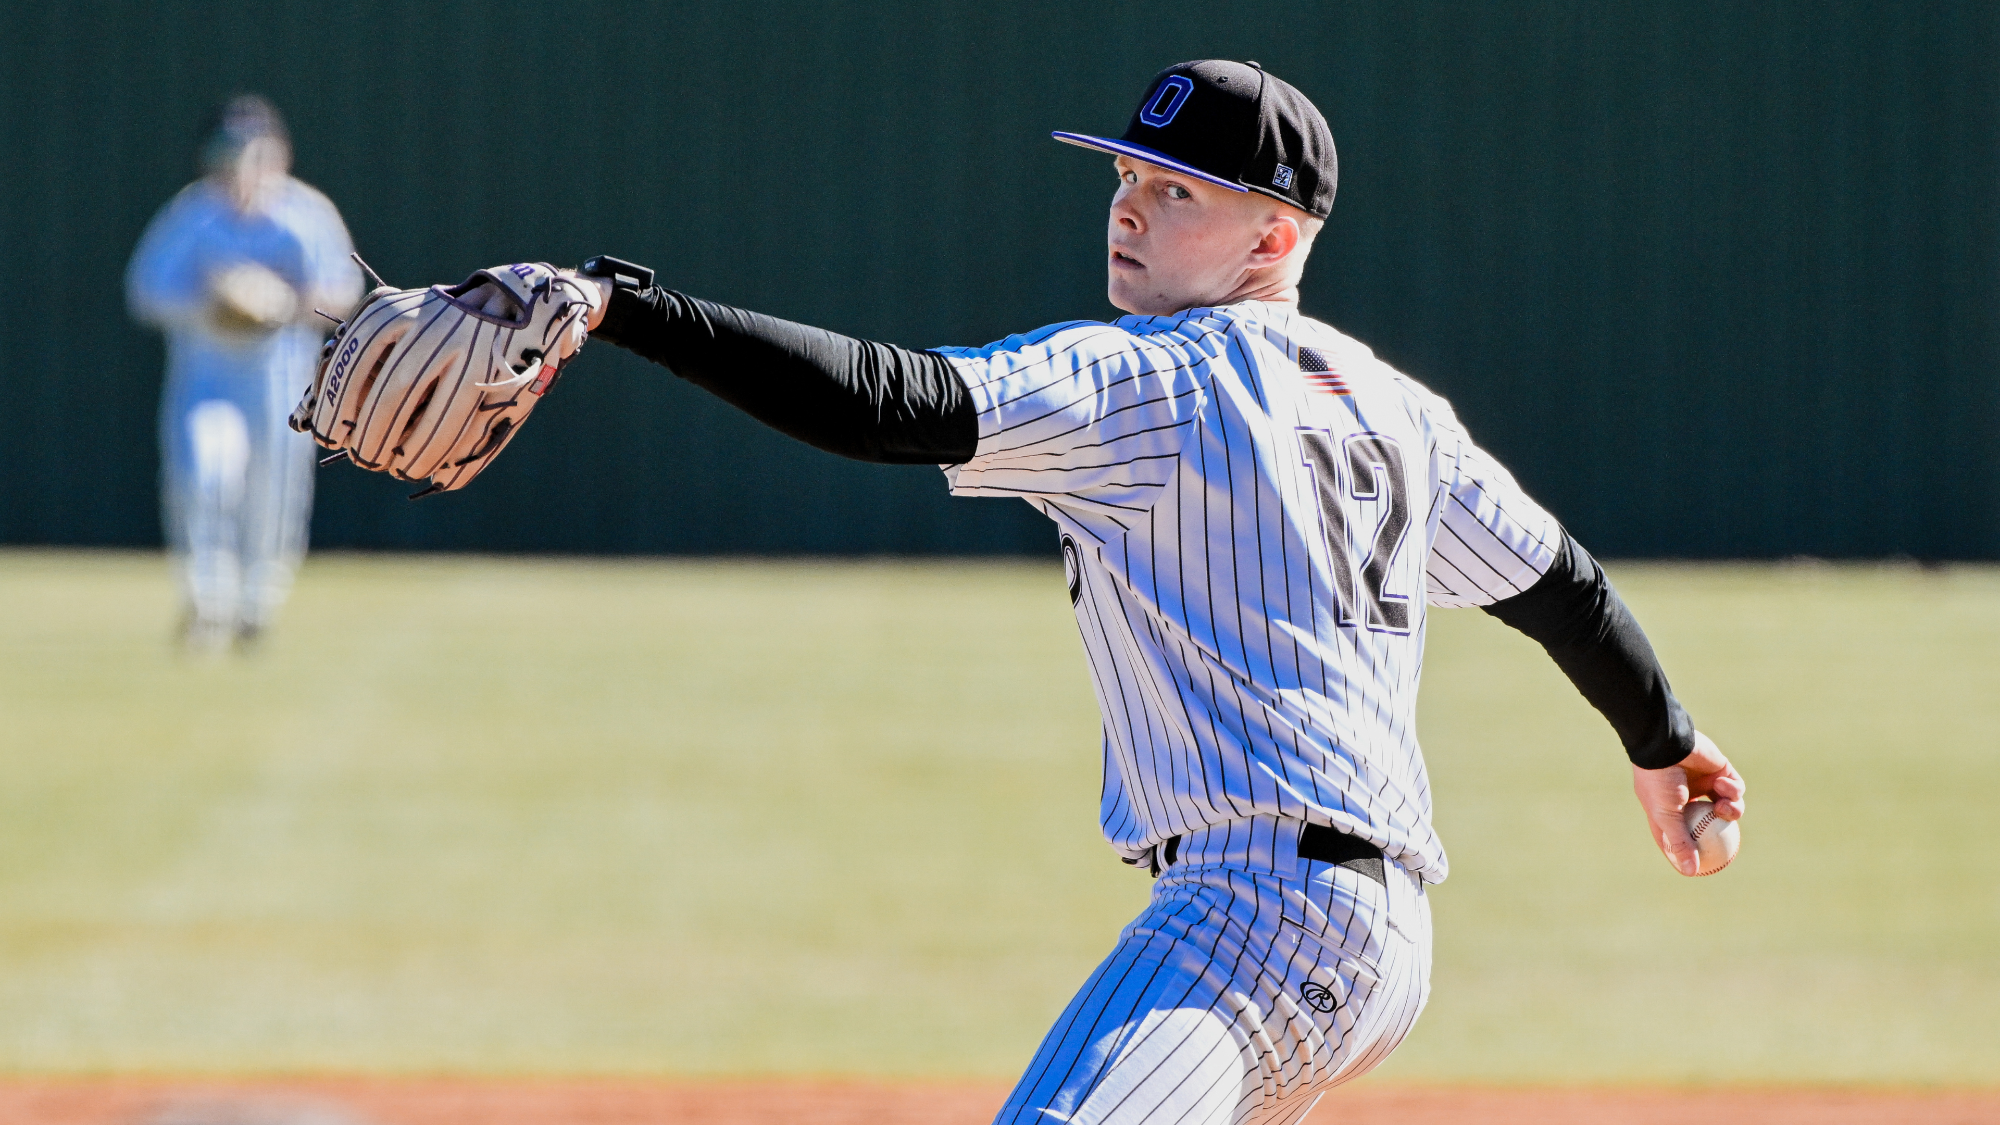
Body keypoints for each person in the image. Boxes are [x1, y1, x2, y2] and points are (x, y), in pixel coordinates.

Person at [325, 60, 1749, 1124]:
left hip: (1259, 912)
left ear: (1274, 239)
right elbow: (1559, 585)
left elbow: (892, 401)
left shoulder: (1164, 379)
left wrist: (628, 308)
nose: (1129, 210)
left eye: (1175, 191)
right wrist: (1664, 743)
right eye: (1125, 178)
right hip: (1373, 936)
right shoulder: (1398, 407)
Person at [128, 95, 361, 652]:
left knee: (273, 493)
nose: (243, 167)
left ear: (279, 155)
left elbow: (344, 293)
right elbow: (146, 291)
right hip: (207, 375)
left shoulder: (305, 214)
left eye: (256, 152)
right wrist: (213, 304)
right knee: (203, 476)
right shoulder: (194, 214)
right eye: (231, 153)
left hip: (281, 381)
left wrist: (280, 302)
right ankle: (206, 598)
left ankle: (257, 603)